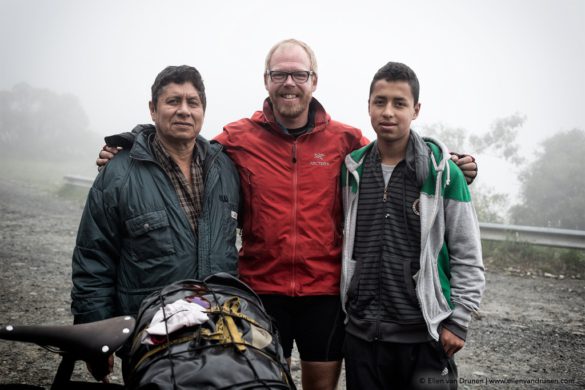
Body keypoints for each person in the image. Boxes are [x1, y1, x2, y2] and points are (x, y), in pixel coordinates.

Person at [96, 39, 479, 390]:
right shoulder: (238, 138)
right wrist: (130, 145)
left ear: (314, 81)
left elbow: (394, 158)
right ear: (266, 80)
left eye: (299, 74)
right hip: (260, 292)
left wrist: (450, 163)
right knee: (259, 384)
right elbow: (186, 144)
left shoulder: (346, 141)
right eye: (279, 74)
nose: (289, 83)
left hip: (324, 294)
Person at [71, 65, 240, 381]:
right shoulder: (119, 174)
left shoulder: (225, 169)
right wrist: (96, 338)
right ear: (153, 108)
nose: (184, 111)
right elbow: (93, 259)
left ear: (203, 109)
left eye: (193, 102)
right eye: (173, 101)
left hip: (218, 334)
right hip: (150, 341)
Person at [340, 61, 485, 389]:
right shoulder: (352, 171)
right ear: (369, 107)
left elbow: (468, 254)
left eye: (399, 103)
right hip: (362, 337)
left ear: (416, 110)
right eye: (380, 102)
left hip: (423, 337)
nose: (388, 112)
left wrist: (458, 321)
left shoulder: (444, 174)